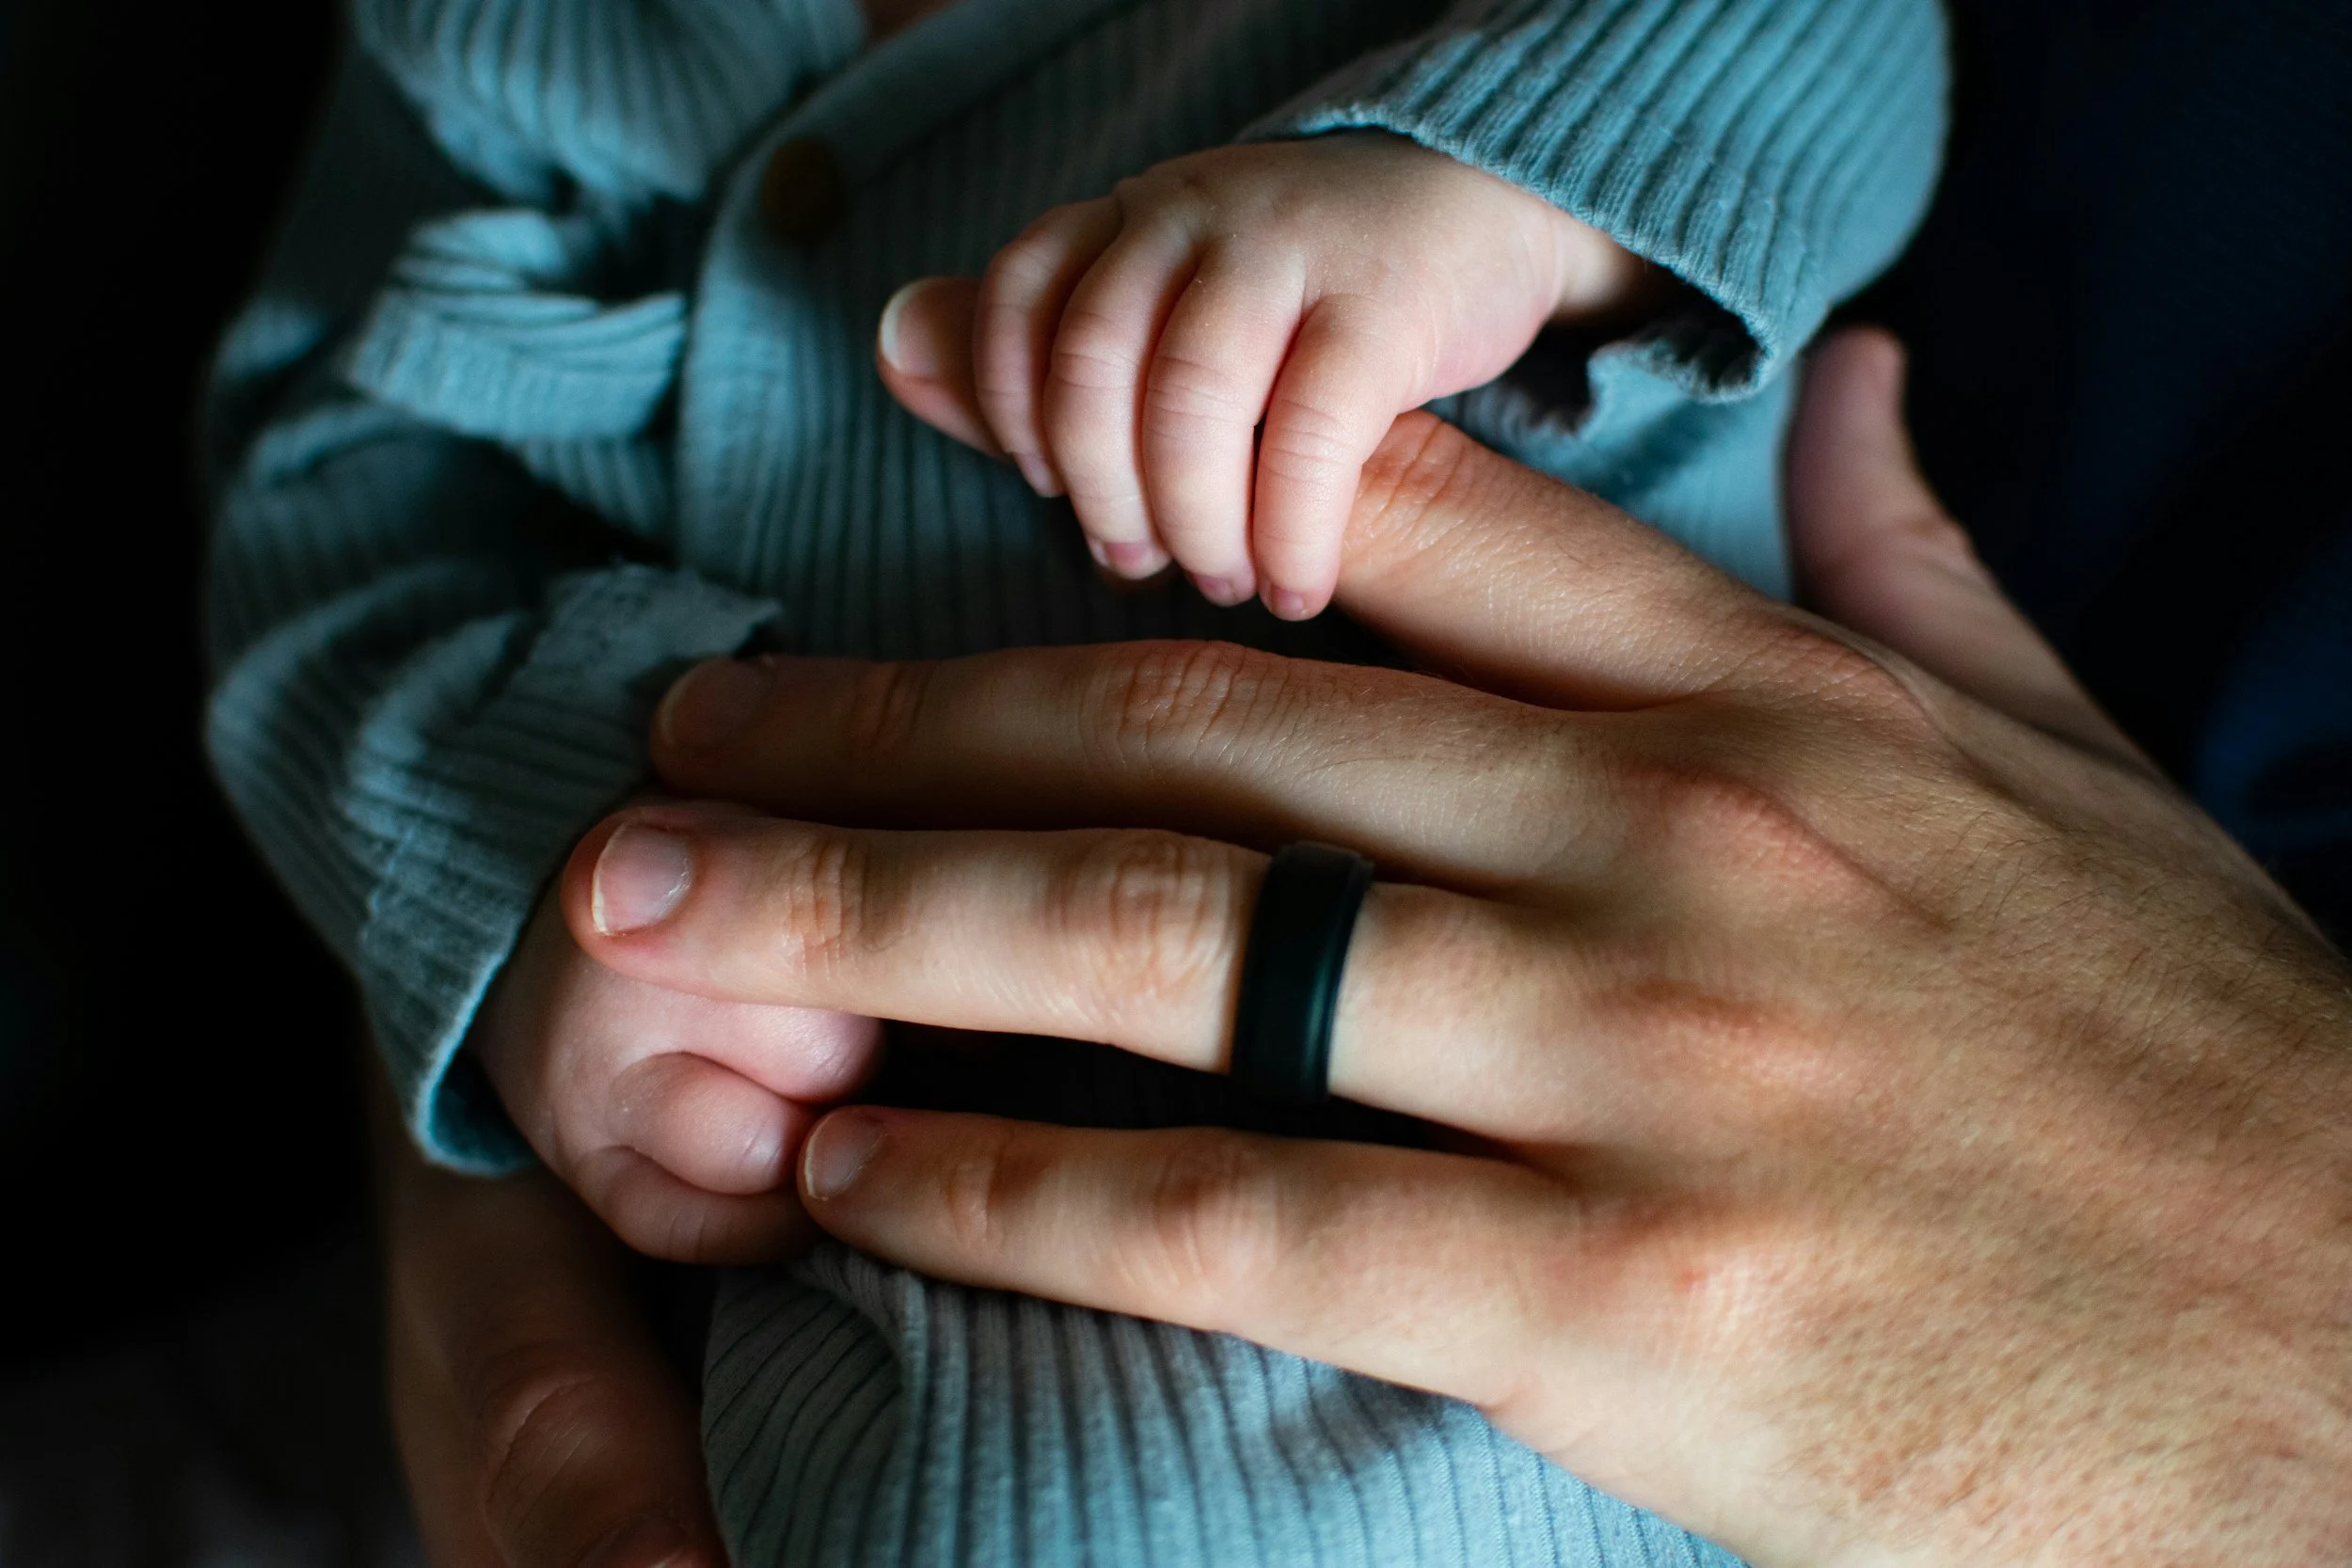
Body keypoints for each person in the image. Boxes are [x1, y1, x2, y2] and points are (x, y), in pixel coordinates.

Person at [206, 0, 1945, 1560]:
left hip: (1617, 1084)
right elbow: (335, 508)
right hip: (883, 1214)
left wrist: (1494, 194)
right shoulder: (519, 40)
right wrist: (549, 863)